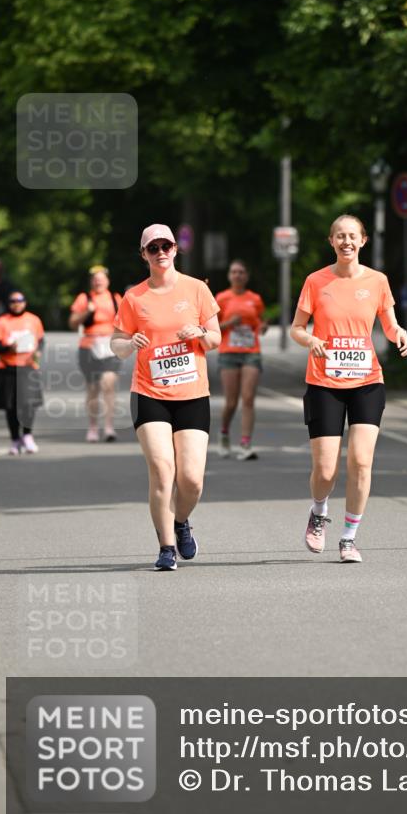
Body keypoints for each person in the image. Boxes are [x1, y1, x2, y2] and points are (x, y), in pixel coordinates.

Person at [290, 214, 407, 563]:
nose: (346, 242)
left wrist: (399, 334)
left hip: (367, 381)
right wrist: (310, 338)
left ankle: (348, 537)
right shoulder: (316, 281)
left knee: (361, 461)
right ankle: (318, 512)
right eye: (340, 236)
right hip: (324, 382)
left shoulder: (377, 281)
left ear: (363, 241)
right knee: (326, 469)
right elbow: (297, 328)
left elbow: (389, 325)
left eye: (352, 236)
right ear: (331, 242)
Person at [110, 224, 221, 571]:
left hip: (191, 394)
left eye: (166, 246)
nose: (160, 252)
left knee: (191, 480)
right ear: (143, 254)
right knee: (162, 469)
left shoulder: (196, 289)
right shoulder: (134, 297)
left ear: (176, 249)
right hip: (149, 393)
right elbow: (116, 343)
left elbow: (216, 338)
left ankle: (180, 521)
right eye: (152, 247)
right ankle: (166, 548)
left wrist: (201, 333)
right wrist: (129, 344)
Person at [215, 259, 268, 461]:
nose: (237, 275)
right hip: (228, 352)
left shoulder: (254, 299)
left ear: (246, 276)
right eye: (234, 272)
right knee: (231, 402)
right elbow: (211, 328)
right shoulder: (222, 298)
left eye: (241, 272)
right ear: (229, 275)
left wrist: (262, 327)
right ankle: (224, 433)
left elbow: (260, 322)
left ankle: (245, 443)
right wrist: (229, 322)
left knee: (247, 399)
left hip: (251, 352)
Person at [69, 266, 122, 442]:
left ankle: (108, 427)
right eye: (95, 279)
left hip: (109, 346)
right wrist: (87, 312)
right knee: (92, 388)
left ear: (107, 281)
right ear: (92, 282)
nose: (98, 282)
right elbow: (72, 323)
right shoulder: (84, 298)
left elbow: (126, 322)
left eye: (101, 279)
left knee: (108, 384)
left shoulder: (115, 298)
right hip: (89, 345)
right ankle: (93, 427)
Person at [0, 291, 44, 455]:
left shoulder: (33, 320)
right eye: (13, 301)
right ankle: (14, 439)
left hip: (28, 366)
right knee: (10, 406)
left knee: (28, 404)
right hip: (8, 367)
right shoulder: (2, 321)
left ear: (25, 303)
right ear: (9, 303)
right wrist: (8, 348)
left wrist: (39, 351)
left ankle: (27, 435)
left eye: (19, 301)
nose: (16, 304)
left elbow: (41, 340)